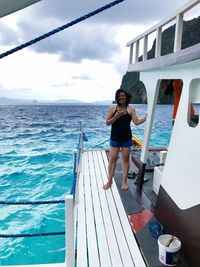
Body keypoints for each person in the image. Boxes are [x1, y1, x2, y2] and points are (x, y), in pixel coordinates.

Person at [103, 89, 147, 191]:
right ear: (117, 97)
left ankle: (124, 182)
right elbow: (107, 123)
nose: (121, 97)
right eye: (119, 96)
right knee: (113, 158)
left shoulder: (131, 109)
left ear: (126, 97)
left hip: (126, 138)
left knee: (125, 159)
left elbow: (136, 122)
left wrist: (146, 118)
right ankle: (109, 181)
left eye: (123, 96)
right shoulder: (112, 109)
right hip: (115, 137)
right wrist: (116, 116)